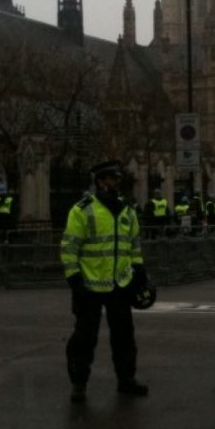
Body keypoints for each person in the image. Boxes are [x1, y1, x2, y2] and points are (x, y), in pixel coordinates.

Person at [61, 160, 149, 403]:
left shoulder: (127, 210)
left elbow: (134, 245)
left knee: (124, 337)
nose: (116, 183)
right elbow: (69, 249)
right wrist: (75, 281)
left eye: (117, 178)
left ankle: (126, 379)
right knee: (84, 339)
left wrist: (139, 270)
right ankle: (79, 384)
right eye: (111, 178)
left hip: (120, 285)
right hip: (89, 286)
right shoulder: (83, 209)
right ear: (100, 181)